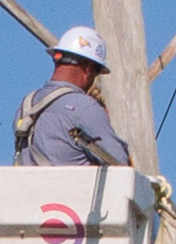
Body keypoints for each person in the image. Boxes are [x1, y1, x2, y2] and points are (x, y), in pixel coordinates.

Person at [15, 27, 126, 166]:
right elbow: (121, 167)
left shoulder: (27, 105)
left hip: (28, 187)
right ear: (89, 70)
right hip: (75, 188)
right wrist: (101, 119)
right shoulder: (86, 108)